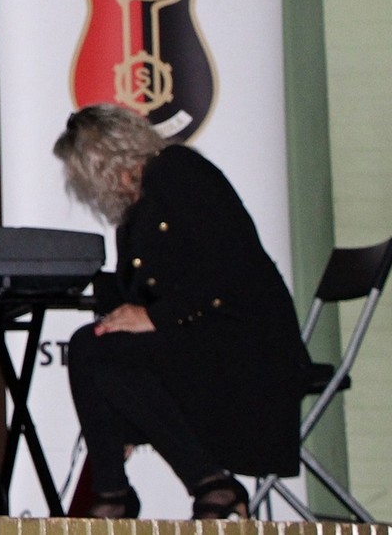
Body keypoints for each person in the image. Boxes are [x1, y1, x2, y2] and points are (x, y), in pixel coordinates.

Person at [53, 104, 310, 520]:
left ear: (102, 160)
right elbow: (138, 292)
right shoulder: (135, 214)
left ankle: (180, 487)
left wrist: (154, 318)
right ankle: (121, 489)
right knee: (94, 344)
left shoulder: (177, 171)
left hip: (246, 345)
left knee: (95, 349)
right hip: (199, 344)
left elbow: (228, 268)